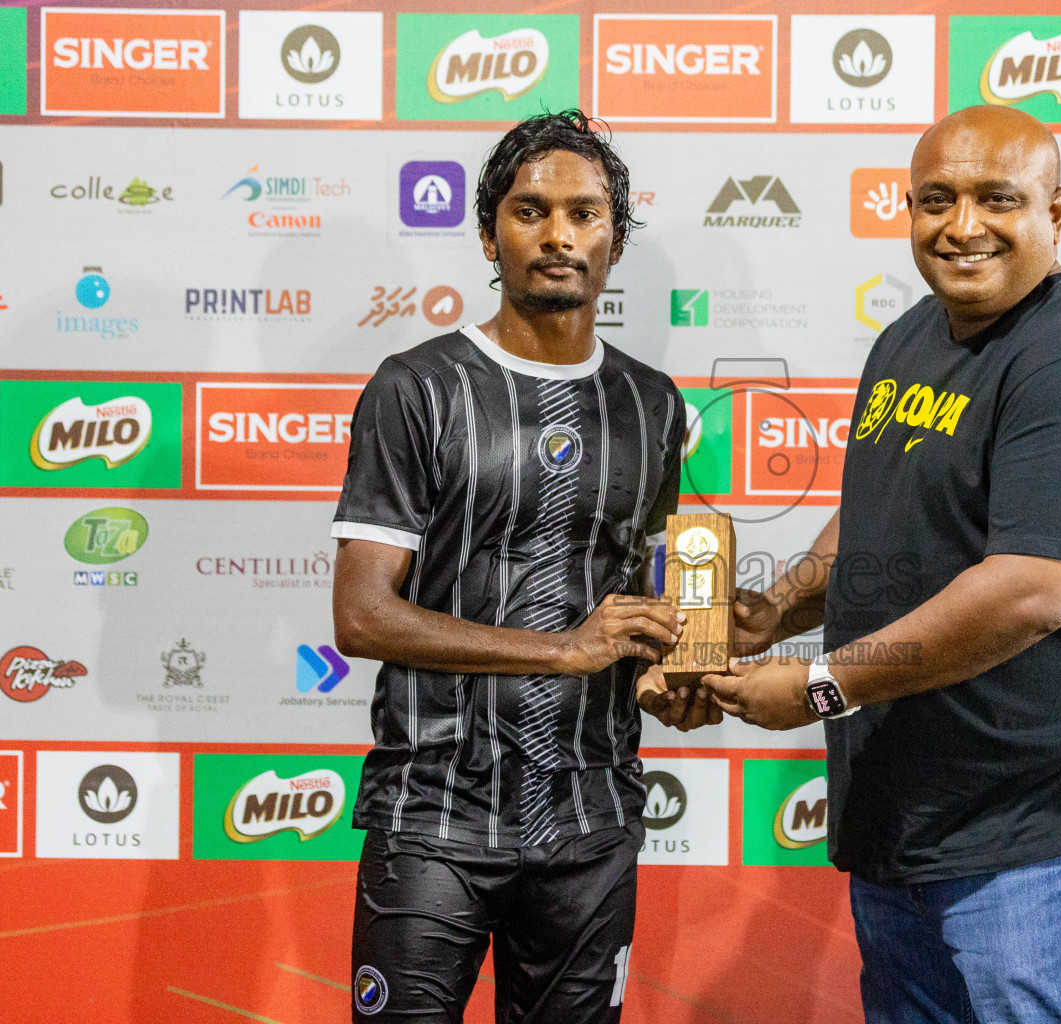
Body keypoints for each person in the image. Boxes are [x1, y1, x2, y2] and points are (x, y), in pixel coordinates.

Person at [706, 106, 1061, 1024]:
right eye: (937, 200)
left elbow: (1033, 590)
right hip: (908, 816)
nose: (963, 226)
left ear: (1058, 210)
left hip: (1034, 824)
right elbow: (884, 513)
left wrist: (821, 686)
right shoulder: (911, 335)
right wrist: (776, 610)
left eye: (998, 199)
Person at [330, 110, 716, 1024]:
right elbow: (361, 616)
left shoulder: (655, 406)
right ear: (487, 231)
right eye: (530, 210)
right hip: (433, 815)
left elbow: (644, 597)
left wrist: (676, 670)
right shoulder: (417, 387)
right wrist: (563, 652)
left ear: (616, 239)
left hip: (592, 816)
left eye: (585, 214)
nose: (557, 236)